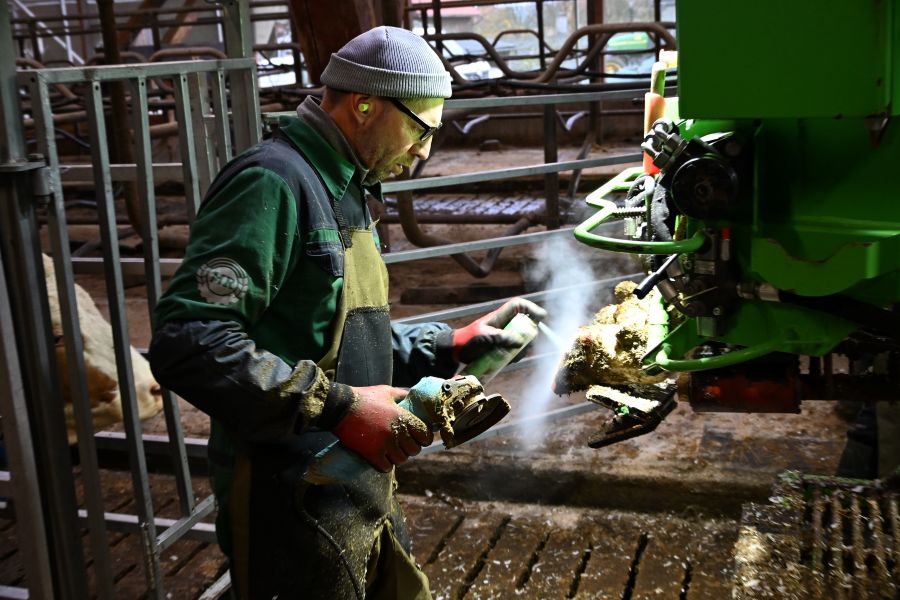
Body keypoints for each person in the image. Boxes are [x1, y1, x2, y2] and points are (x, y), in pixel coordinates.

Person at [148, 26, 546, 600]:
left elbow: (337, 328)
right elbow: (189, 340)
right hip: (284, 493)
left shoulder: (345, 187)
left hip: (352, 478)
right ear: (364, 105)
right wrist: (339, 407)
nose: (425, 150)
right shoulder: (273, 183)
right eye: (420, 128)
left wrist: (449, 343)